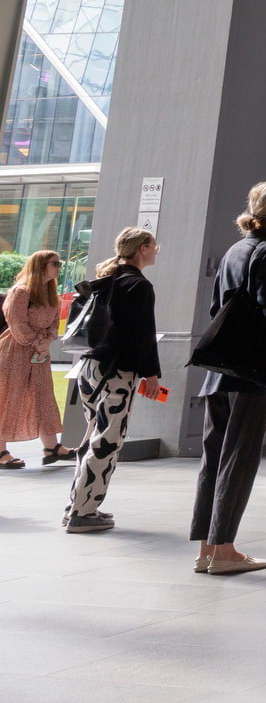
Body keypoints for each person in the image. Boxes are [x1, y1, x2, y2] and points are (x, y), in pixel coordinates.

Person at [190, 180, 266, 576]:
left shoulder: (237, 249)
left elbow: (218, 306)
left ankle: (207, 548)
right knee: (240, 458)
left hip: (221, 368)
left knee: (214, 457)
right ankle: (225, 550)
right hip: (253, 371)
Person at [64, 228, 160, 532]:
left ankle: (78, 505)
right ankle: (83, 511)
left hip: (90, 368)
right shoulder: (138, 286)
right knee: (107, 441)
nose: (157, 250)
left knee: (91, 439)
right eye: (154, 246)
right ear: (143, 249)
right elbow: (143, 335)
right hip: (117, 373)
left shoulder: (104, 282)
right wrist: (152, 374)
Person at [0, 250, 77, 469]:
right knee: (8, 398)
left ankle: (52, 447)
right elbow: (16, 322)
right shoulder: (22, 291)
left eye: (59, 263)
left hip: (39, 353)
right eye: (55, 263)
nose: (58, 267)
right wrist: (38, 343)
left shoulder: (52, 294)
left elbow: (54, 324)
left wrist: (49, 340)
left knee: (43, 396)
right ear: (40, 266)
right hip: (15, 351)